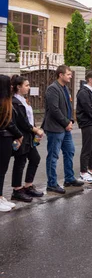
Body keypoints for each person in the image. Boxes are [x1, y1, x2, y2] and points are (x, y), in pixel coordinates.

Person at [42, 65, 84, 193]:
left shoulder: (65, 88)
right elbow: (54, 109)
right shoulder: (53, 89)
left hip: (65, 127)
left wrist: (70, 120)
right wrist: (66, 122)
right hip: (55, 128)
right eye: (68, 74)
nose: (70, 76)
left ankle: (69, 178)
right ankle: (52, 184)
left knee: (69, 151)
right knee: (53, 156)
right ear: (60, 75)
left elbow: (68, 106)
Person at [10, 75, 44, 203]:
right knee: (20, 162)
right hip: (21, 135)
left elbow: (29, 119)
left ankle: (28, 185)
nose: (29, 88)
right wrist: (35, 129)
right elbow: (22, 121)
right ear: (18, 87)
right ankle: (17, 190)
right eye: (26, 85)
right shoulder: (15, 102)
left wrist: (35, 130)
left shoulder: (23, 100)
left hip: (29, 136)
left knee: (35, 159)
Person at [0, 75, 22, 211]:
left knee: (3, 170)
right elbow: (7, 121)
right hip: (2, 137)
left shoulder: (5, 101)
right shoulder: (2, 103)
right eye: (9, 84)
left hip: (6, 138)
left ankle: (1, 196)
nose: (11, 87)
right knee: (1, 170)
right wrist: (19, 135)